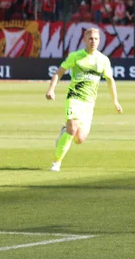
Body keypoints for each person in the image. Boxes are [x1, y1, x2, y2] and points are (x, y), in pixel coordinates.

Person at [45, 27, 123, 172]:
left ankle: (65, 131)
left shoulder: (103, 60)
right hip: (74, 98)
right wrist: (51, 89)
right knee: (73, 127)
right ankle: (56, 162)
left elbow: (110, 80)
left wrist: (115, 101)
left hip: (89, 104)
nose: (93, 41)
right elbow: (59, 72)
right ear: (85, 40)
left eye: (96, 39)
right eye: (90, 38)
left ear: (99, 41)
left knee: (79, 138)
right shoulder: (75, 56)